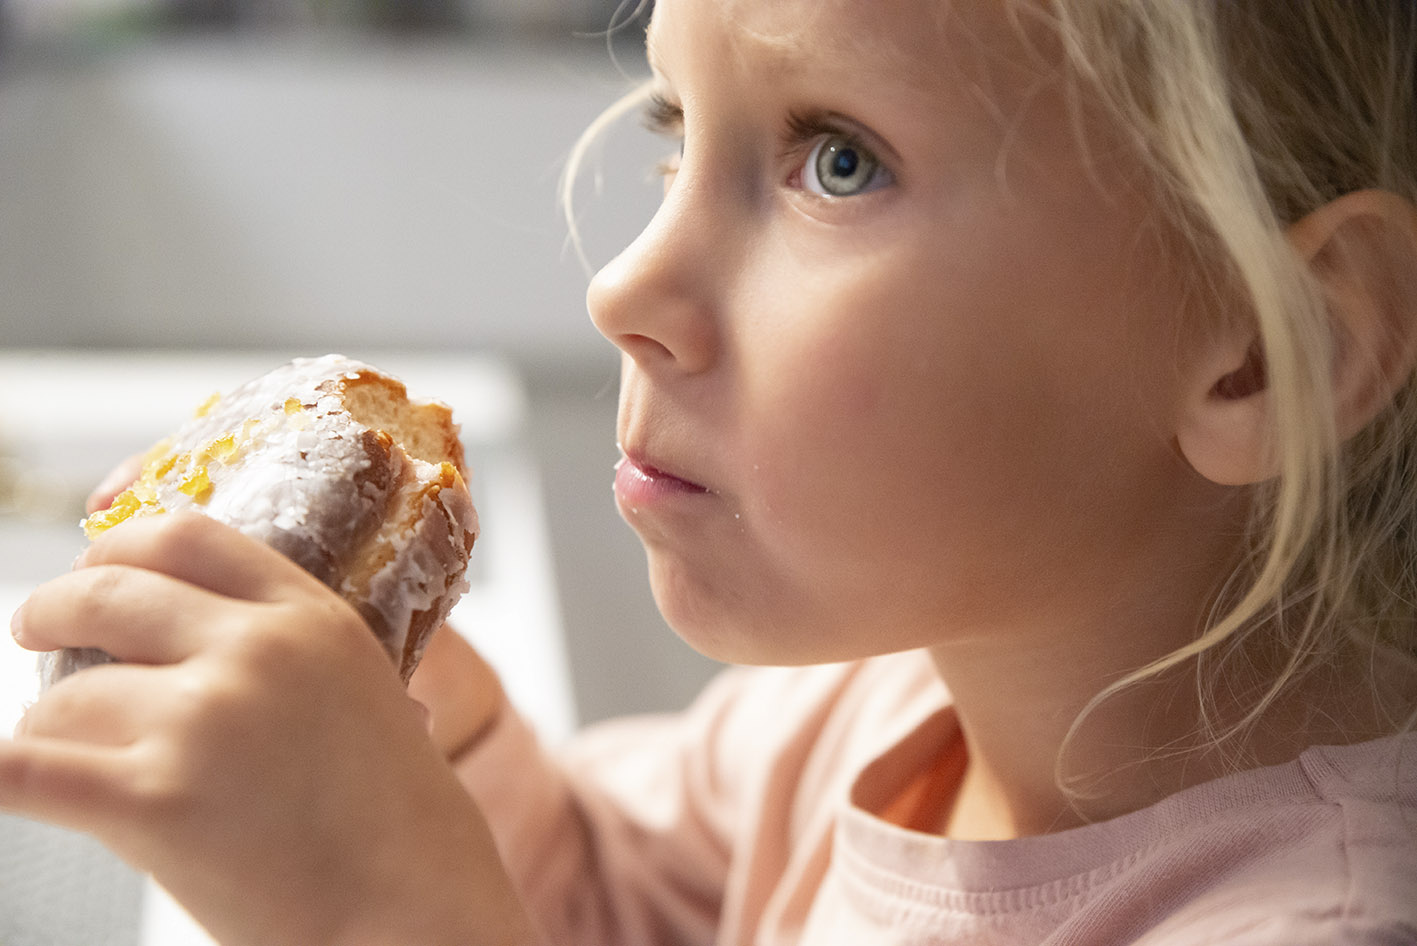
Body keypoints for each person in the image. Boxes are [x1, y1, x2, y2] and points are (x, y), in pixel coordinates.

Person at [4, 0, 1417, 942]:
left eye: (838, 161)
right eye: (676, 130)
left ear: (1259, 346)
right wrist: (447, 752)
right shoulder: (883, 706)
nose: (623, 284)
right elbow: (611, 900)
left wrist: (383, 905)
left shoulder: (1315, 916)